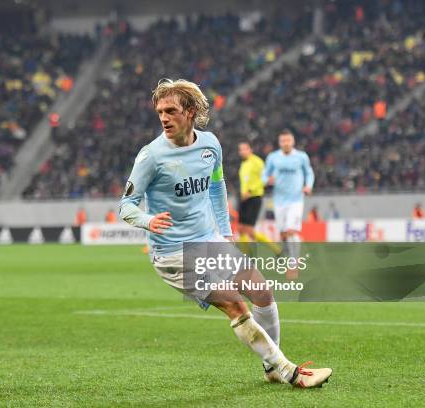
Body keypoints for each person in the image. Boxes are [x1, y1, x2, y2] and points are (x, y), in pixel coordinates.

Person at [119, 79, 331, 388]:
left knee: (262, 293)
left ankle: (271, 367)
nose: (163, 118)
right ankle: (289, 372)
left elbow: (217, 186)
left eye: (171, 110)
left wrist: (226, 233)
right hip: (174, 253)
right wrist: (147, 221)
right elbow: (126, 205)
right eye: (160, 112)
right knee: (235, 304)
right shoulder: (151, 156)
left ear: (190, 111)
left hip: (210, 240)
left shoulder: (210, 145)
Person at [263, 130, 314, 280]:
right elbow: (265, 174)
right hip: (279, 201)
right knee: (283, 234)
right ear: (280, 143)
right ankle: (291, 252)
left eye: (288, 140)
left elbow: (309, 173)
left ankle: (293, 266)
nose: (286, 143)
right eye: (283, 141)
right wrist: (267, 180)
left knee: (291, 231)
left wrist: (308, 186)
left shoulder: (301, 157)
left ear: (293, 142)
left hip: (296, 200)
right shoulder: (273, 158)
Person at [236, 141, 281, 256]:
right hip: (244, 199)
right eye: (240, 150)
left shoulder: (257, 162)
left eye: (245, 149)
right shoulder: (244, 164)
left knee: (249, 230)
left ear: (250, 149)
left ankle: (277, 250)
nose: (242, 151)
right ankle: (245, 257)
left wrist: (250, 191)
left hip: (254, 197)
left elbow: (265, 178)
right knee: (240, 228)